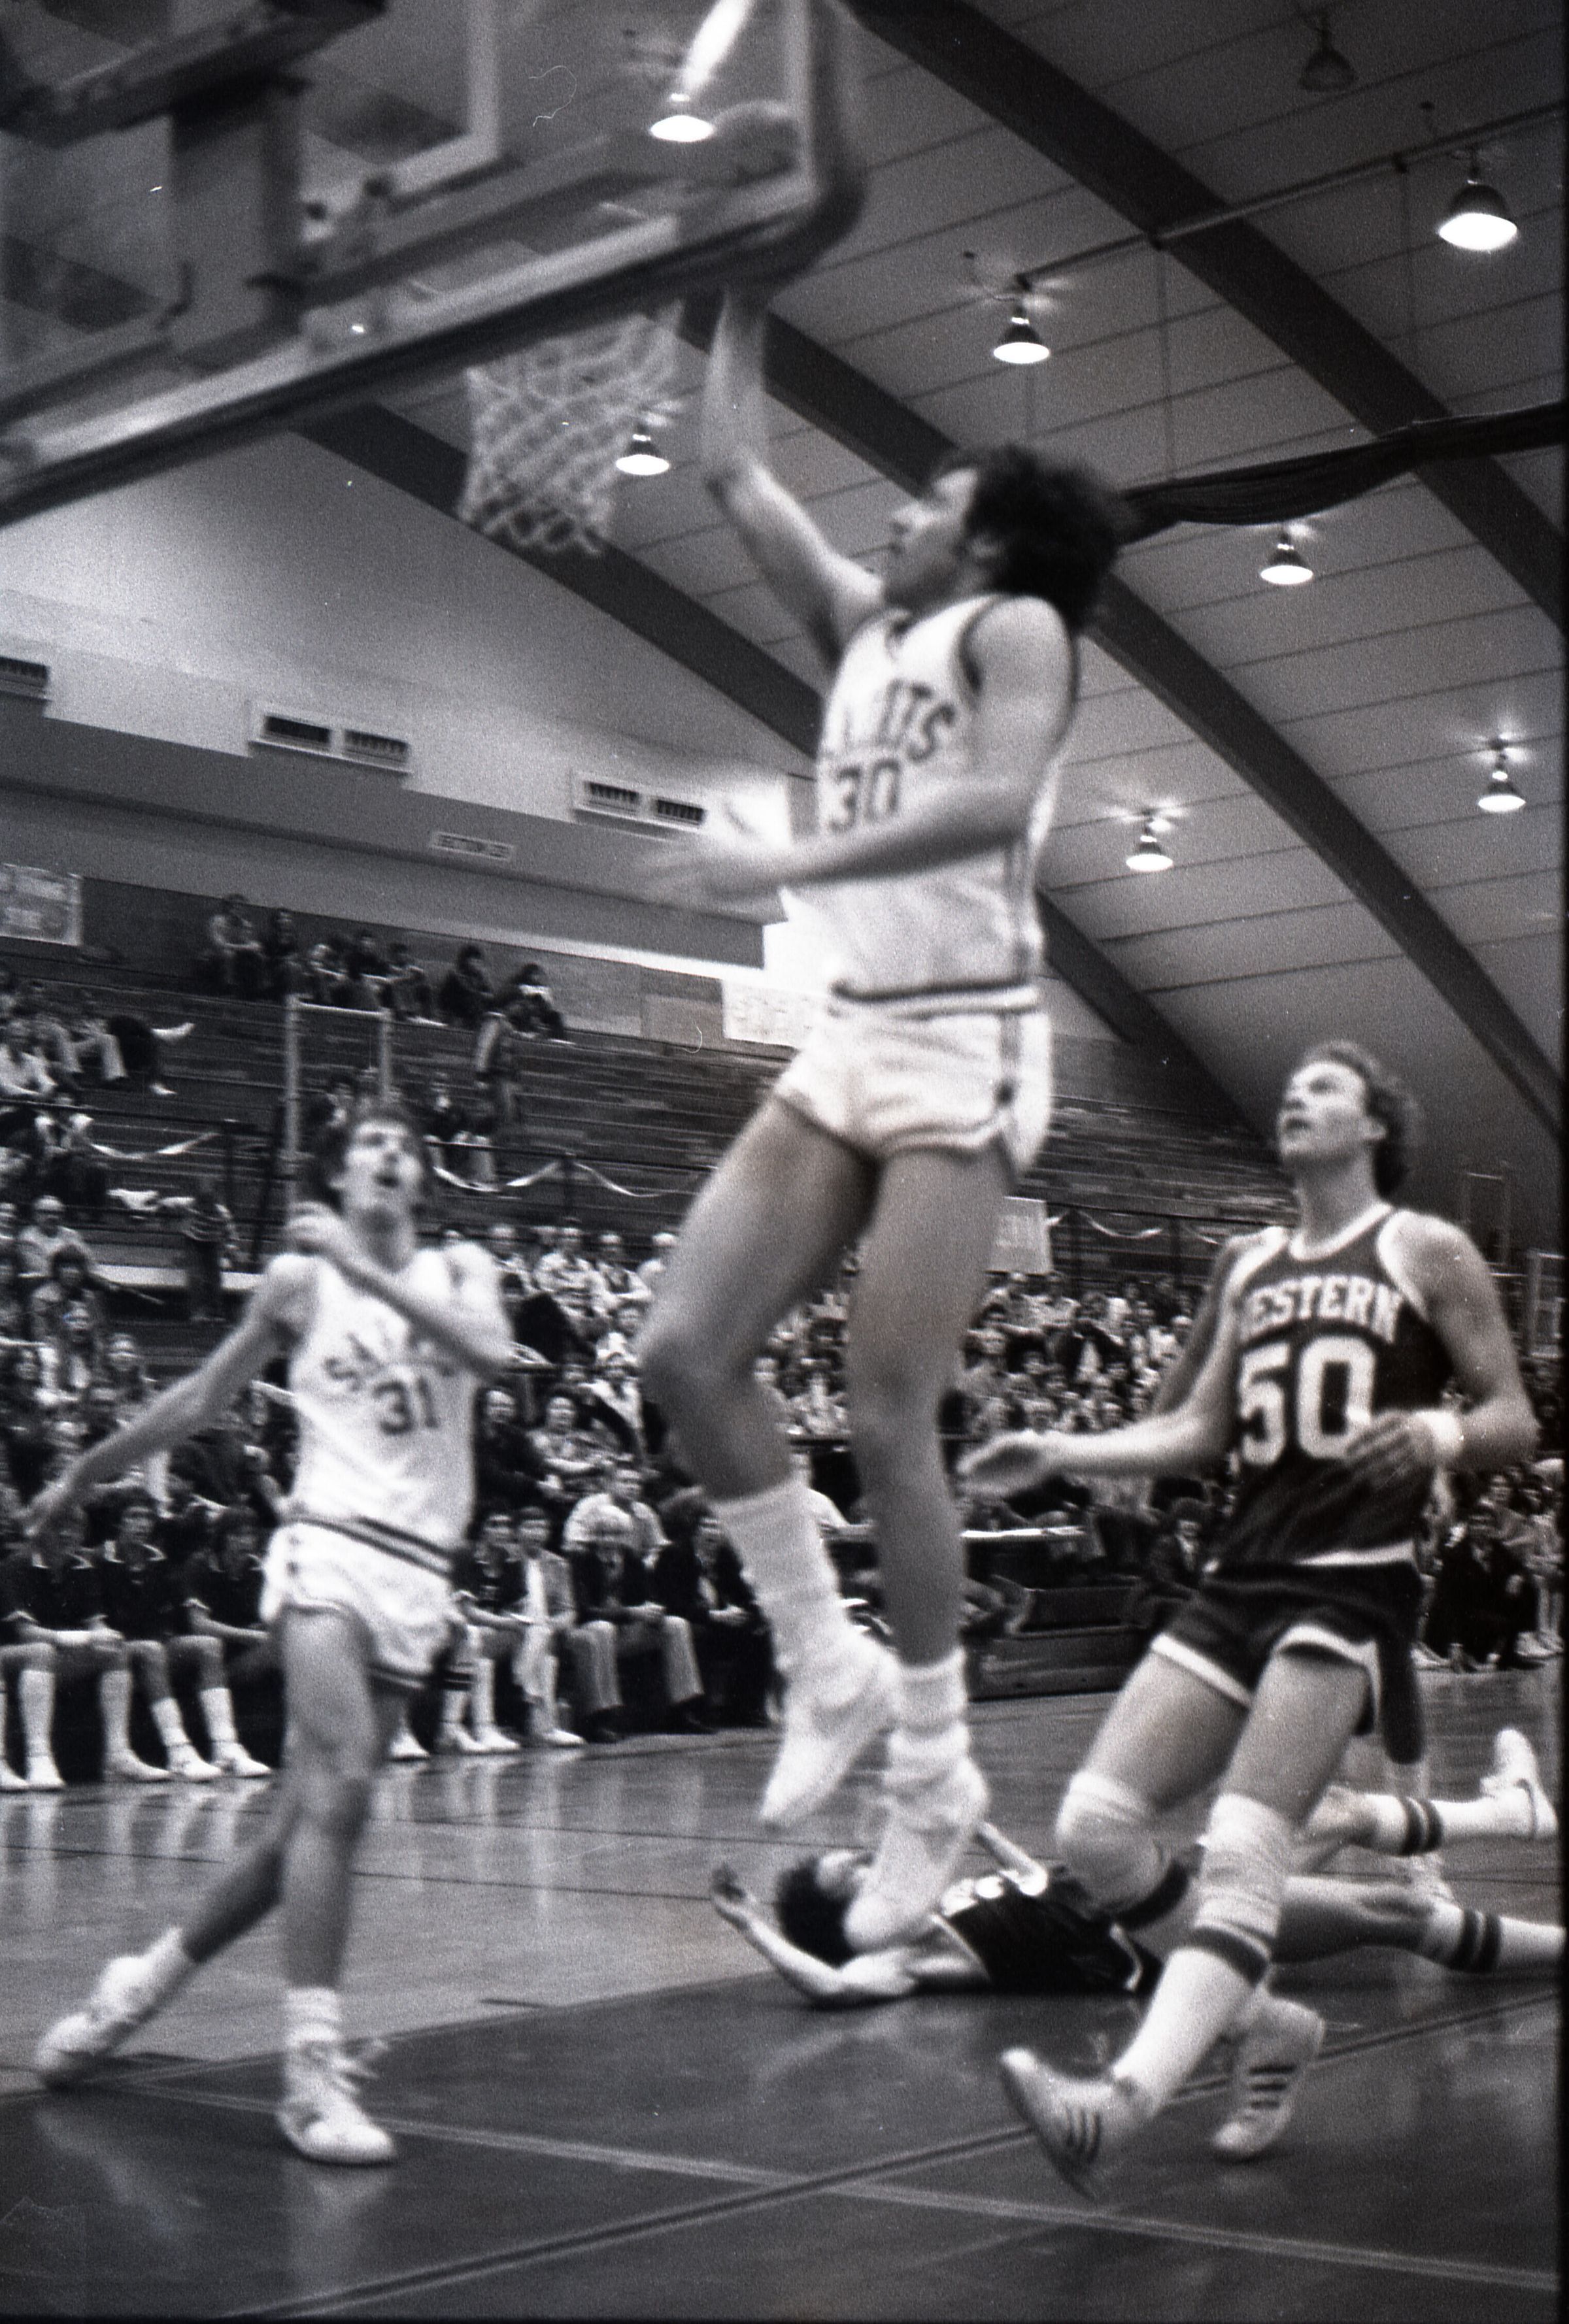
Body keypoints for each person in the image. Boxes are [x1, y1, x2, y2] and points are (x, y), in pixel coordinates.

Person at [636, 285, 1128, 1948]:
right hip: (855, 1030)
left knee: (888, 1405)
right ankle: (825, 1660)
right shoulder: (862, 629)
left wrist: (779, 862)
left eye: (930, 501)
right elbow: (730, 470)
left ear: (985, 544)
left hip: (966, 1038)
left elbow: (994, 799)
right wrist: (742, 287)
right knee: (682, 1350)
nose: (898, 517)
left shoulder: (1017, 630)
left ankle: (931, 1774)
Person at [960, 1041, 1538, 2191]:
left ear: (1377, 1125)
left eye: (1324, 1086)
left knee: (1244, 1848)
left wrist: (1438, 1434)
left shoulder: (1427, 1248)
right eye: (1291, 1087)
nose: (1295, 1096)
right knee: (1095, 1830)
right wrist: (1063, 1450)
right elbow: (1198, 1430)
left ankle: (1119, 2105)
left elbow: (1512, 1415)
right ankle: (1263, 2023)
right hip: (1242, 1575)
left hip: (1351, 1576)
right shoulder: (1246, 1262)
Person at [27, 1098, 513, 2164]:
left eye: (406, 1147)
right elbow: (200, 1397)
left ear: (423, 1180)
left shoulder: (461, 1269)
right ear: (336, 1177)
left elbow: (492, 1356)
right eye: (370, 1146)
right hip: (326, 1546)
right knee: (342, 1792)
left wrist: (367, 1267)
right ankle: (310, 2072)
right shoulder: (299, 1283)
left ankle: (133, 1991)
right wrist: (86, 1472)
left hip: (419, 1572)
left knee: (290, 1840)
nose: (390, 1157)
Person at [713, 1733, 1559, 2160]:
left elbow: (1042, 1890)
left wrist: (990, 1841)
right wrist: (752, 1926)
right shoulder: (904, 1958)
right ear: (847, 1921)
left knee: (1328, 1810)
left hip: (1156, 1884)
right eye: (854, 1876)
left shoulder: (945, 1904)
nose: (873, 1866)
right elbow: (832, 1987)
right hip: (1169, 1936)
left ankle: (1512, 1810)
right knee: (1388, 1909)